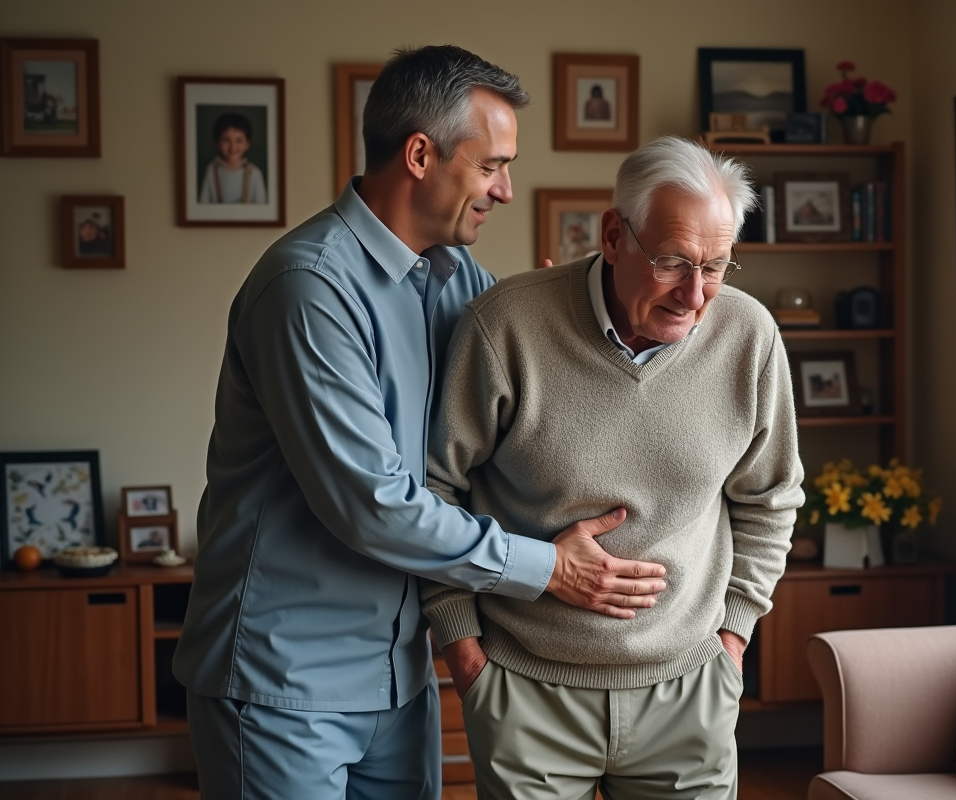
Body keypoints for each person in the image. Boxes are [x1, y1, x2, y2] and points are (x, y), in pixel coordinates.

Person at [174, 45, 666, 800]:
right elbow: (373, 505)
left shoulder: (459, 280)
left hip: (399, 676)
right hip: (282, 682)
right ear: (418, 155)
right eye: (492, 165)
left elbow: (529, 393)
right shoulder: (308, 288)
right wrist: (550, 567)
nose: (506, 190)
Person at [422, 136, 806, 800]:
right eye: (673, 262)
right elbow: (435, 489)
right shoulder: (505, 326)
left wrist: (734, 635)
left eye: (716, 267)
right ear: (611, 236)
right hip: (525, 685)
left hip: (689, 685)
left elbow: (771, 498)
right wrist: (463, 648)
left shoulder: (750, 337)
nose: (694, 294)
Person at [197, 112, 268, 204]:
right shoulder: (211, 170)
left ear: (247, 144)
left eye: (239, 140)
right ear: (217, 143)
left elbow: (261, 209)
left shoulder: (255, 173)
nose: (233, 147)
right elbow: (203, 205)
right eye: (226, 140)